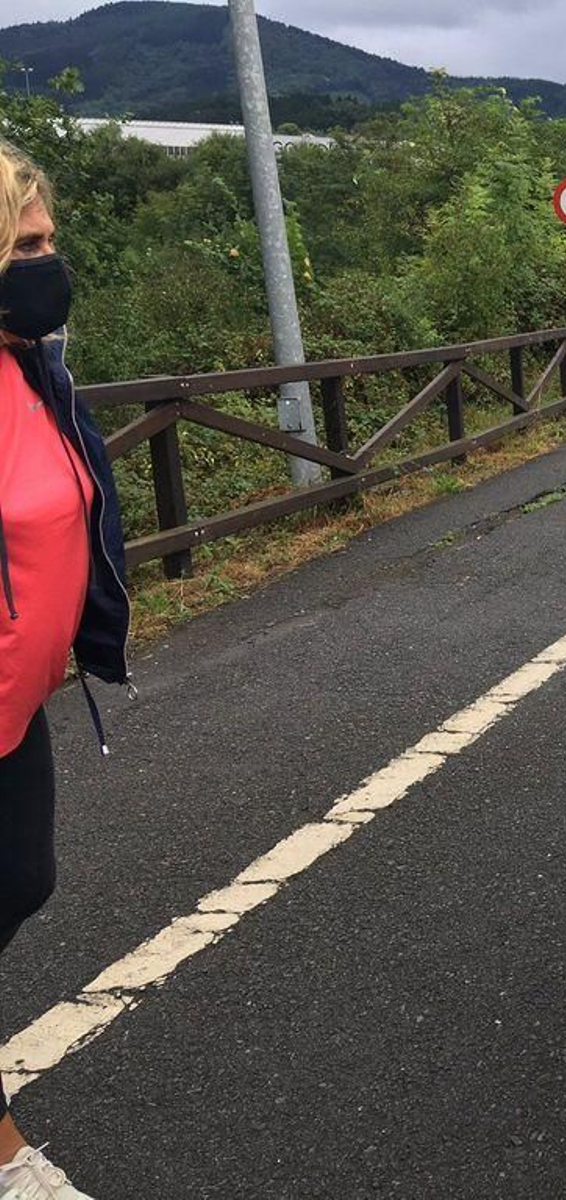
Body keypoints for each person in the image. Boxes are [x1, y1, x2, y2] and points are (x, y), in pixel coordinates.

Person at [0, 142, 131, 1200]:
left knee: (20, 883)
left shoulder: (30, 363)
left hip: (16, 701)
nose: (51, 263)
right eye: (26, 245)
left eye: (48, 240)